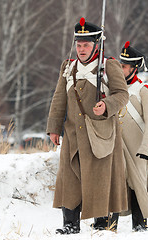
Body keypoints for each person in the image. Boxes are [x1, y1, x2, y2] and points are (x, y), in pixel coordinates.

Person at [46, 17, 129, 235]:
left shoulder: (108, 65)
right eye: (79, 44)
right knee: (69, 179)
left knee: (102, 179)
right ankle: (70, 224)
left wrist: (107, 104)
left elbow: (122, 94)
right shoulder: (68, 67)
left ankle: (104, 223)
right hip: (73, 133)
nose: (81, 49)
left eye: (86, 45)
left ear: (96, 45)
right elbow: (58, 99)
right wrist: (54, 127)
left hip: (100, 133)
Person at [118, 41, 148, 231]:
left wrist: (145, 149)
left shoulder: (145, 91)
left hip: (137, 148)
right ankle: (109, 225)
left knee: (138, 186)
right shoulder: (112, 90)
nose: (120, 68)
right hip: (116, 146)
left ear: (134, 69)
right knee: (115, 185)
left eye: (124, 66)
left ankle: (140, 225)